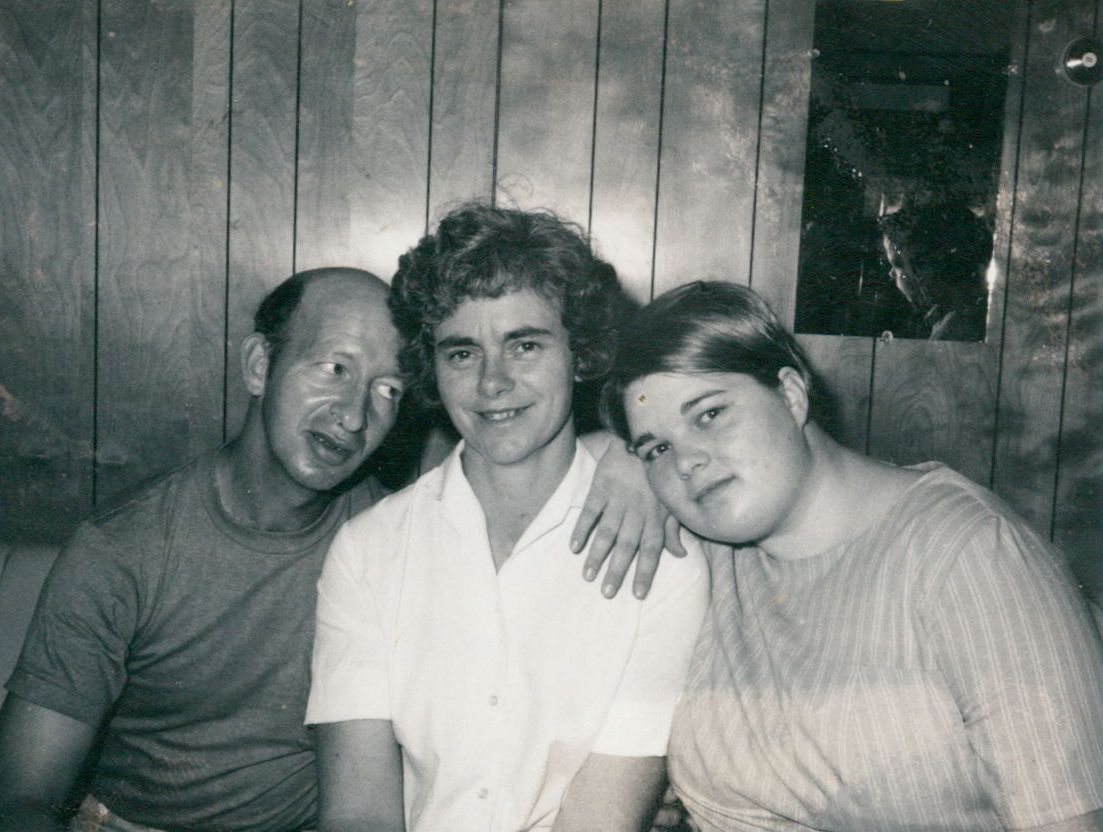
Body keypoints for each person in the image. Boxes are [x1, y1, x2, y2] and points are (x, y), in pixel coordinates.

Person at [0, 267, 668, 832]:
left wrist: (631, 458)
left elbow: (521, 447)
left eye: (387, 390)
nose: (353, 415)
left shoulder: (390, 530)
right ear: (259, 365)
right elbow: (22, 796)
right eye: (334, 368)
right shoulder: (124, 548)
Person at [601, 280, 1103, 832]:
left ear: (792, 394)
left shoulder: (973, 556)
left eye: (710, 414)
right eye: (658, 448)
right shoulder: (704, 558)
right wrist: (618, 461)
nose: (686, 462)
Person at [305, 204, 709, 832]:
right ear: (432, 370)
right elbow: (358, 813)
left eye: (524, 345)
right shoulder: (368, 550)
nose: (493, 382)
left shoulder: (660, 552)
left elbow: (601, 821)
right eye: (462, 353)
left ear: (579, 353)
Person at [879, 202, 992, 341]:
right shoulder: (949, 315)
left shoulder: (953, 333)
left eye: (898, 264)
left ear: (928, 266)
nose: (891, 273)